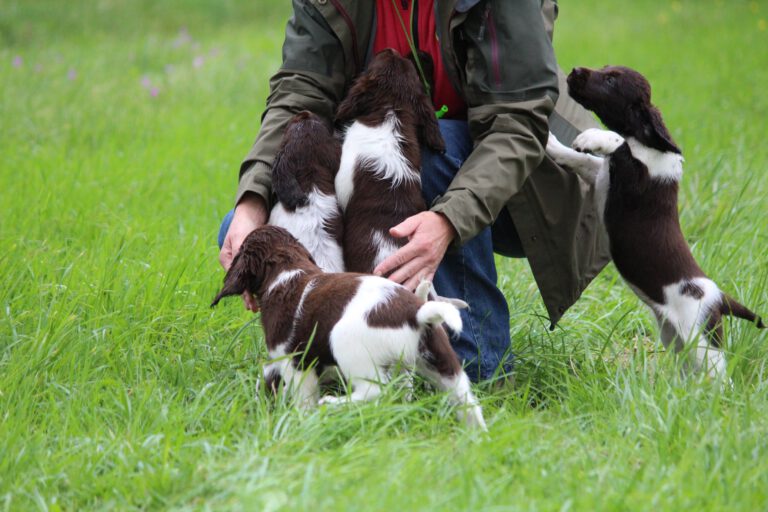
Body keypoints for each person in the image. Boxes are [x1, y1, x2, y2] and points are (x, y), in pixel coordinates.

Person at [218, 0, 610, 382]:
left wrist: (447, 221)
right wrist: (251, 204)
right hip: (392, 175)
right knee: (255, 241)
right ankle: (342, 357)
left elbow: (518, 123)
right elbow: (299, 93)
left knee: (431, 157)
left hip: (523, 183)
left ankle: (475, 364)